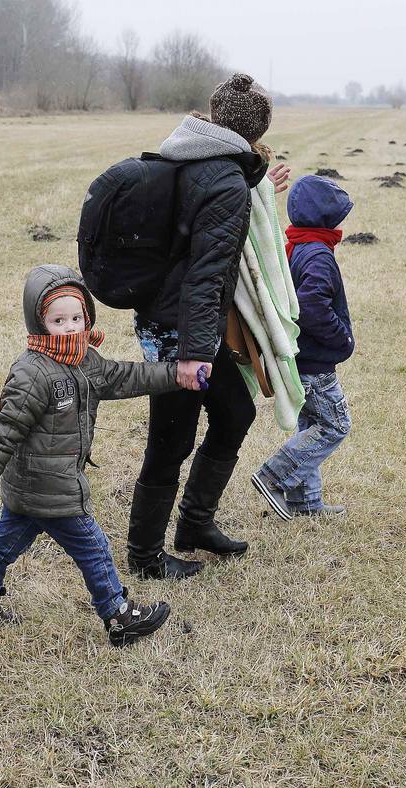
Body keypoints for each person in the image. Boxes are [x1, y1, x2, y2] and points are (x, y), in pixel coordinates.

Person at [0, 265, 184, 645]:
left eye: (77, 317)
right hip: (52, 486)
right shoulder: (33, 373)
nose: (70, 327)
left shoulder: (84, 359)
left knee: (7, 540)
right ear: (39, 322)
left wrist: (176, 374)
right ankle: (118, 615)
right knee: (93, 546)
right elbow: (5, 429)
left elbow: (126, 377)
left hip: (33, 488)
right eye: (58, 319)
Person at [127, 73, 286, 580]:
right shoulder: (223, 181)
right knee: (170, 439)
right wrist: (194, 353)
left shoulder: (195, 152)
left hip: (191, 323)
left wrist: (257, 183)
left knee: (235, 411)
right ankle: (145, 555)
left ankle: (195, 523)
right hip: (180, 329)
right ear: (256, 127)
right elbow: (206, 271)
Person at [251, 175, 354, 518]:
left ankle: (305, 503)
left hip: (299, 358)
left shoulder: (298, 244)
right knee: (334, 425)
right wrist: (342, 338)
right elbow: (311, 307)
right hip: (315, 363)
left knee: (310, 426)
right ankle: (274, 475)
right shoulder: (317, 254)